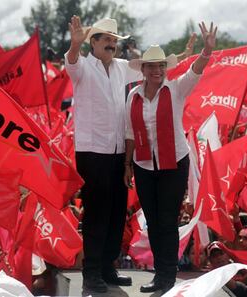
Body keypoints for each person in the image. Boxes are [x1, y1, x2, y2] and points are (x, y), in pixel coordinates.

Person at [65, 16, 196, 293]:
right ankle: (91, 274)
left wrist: (184, 54)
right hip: (92, 151)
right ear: (94, 42)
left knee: (115, 213)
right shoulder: (83, 68)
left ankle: (107, 268)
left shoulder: (123, 68)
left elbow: (154, 69)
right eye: (107, 40)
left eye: (115, 41)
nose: (112, 45)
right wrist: (74, 46)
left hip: (118, 152)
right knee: (97, 214)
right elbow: (72, 62)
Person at [123, 22, 217, 293]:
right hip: (143, 164)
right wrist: (127, 165)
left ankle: (166, 274)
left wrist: (207, 51)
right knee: (153, 220)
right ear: (143, 69)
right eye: (152, 66)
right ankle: (160, 272)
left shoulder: (176, 89)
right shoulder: (133, 96)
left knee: (167, 219)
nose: (158, 71)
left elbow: (194, 72)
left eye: (161, 66)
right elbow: (130, 131)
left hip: (173, 163)